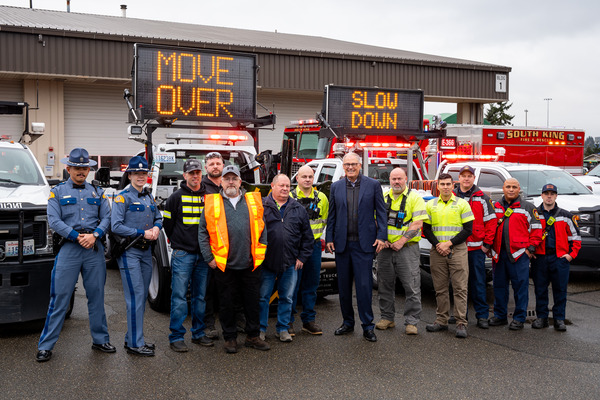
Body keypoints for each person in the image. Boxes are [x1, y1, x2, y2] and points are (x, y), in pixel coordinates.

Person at [36, 148, 114, 362]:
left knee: (96, 296)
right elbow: (54, 220)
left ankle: (100, 340)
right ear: (68, 168)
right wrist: (76, 236)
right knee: (59, 297)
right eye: (77, 167)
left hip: (93, 249)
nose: (81, 171)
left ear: (89, 169)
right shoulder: (57, 192)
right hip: (70, 248)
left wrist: (95, 235)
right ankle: (46, 345)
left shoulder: (98, 192)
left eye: (85, 167)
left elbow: (107, 218)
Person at [198, 165, 270, 353]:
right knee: (226, 303)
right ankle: (230, 338)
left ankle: (253, 336)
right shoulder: (212, 202)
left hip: (250, 263)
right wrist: (209, 258)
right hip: (224, 265)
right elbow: (202, 232)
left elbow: (262, 230)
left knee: (252, 302)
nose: (230, 182)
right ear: (220, 182)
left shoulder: (253, 201)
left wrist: (260, 255)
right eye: (227, 178)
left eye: (234, 178)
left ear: (240, 181)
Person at [326, 152, 387, 342]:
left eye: (353, 164)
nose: (350, 167)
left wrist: (382, 236)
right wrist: (329, 237)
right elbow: (332, 215)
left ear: (360, 165)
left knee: (364, 286)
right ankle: (347, 323)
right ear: (343, 167)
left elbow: (381, 212)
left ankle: (368, 326)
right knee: (343, 288)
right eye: (347, 165)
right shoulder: (335, 187)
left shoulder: (373, 185)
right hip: (343, 245)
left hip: (364, 245)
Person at [111, 156, 163, 356]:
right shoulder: (122, 197)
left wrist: (157, 228)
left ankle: (133, 337)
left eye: (144, 173)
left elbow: (158, 217)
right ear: (130, 174)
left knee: (141, 298)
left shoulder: (148, 196)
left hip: (145, 253)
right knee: (135, 297)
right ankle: (135, 344)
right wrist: (143, 233)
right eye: (137, 173)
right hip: (130, 252)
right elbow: (115, 226)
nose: (141, 176)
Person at [163, 159, 213, 352]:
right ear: (184, 175)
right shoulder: (175, 197)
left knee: (200, 297)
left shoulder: (210, 197)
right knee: (179, 297)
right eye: (191, 173)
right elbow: (168, 224)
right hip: (183, 254)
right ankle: (176, 336)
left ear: (202, 174)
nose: (195, 176)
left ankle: (198, 333)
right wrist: (179, 243)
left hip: (203, 256)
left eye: (198, 172)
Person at [260, 174, 313, 342]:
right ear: (272, 186)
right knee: (262, 298)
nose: (284, 189)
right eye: (281, 185)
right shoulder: (261, 206)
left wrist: (302, 258)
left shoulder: (298, 209)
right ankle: (261, 329)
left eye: (287, 186)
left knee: (287, 297)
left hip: (290, 262)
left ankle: (283, 328)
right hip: (266, 263)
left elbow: (308, 237)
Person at [375, 167, 428, 335]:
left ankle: (411, 322)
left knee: (411, 285)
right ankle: (387, 317)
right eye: (393, 179)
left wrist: (401, 241)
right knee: (384, 284)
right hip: (385, 249)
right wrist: (383, 239)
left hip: (407, 248)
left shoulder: (415, 198)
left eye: (400, 179)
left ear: (406, 179)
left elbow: (418, 223)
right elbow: (375, 220)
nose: (396, 182)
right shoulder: (383, 197)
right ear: (389, 180)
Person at [423, 173, 474, 338]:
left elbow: (468, 230)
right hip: (437, 251)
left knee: (460, 288)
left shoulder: (462, 204)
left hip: (457, 250)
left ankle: (460, 322)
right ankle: (442, 320)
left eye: (448, 184)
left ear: (453, 186)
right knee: (440, 288)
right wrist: (438, 245)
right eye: (442, 184)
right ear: (438, 186)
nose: (445, 187)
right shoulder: (431, 204)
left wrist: (448, 244)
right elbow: (427, 229)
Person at [489, 178, 542, 330]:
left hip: (519, 255)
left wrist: (530, 249)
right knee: (499, 287)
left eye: (514, 187)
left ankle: (519, 318)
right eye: (508, 187)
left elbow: (537, 229)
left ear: (519, 189)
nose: (511, 190)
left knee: (520, 288)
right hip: (499, 255)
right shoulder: (495, 206)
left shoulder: (528, 207)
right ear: (503, 188)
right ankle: (500, 316)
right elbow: (490, 227)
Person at [531, 183, 581, 331]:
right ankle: (542, 318)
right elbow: (528, 233)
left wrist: (571, 256)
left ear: (556, 196)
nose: (549, 196)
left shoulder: (565, 215)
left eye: (552, 193)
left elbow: (576, 238)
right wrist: (531, 250)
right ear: (542, 195)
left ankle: (559, 319)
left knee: (560, 290)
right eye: (546, 193)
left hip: (559, 258)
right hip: (539, 258)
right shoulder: (534, 214)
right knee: (540, 289)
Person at [454, 165, 496, 329]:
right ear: (459, 178)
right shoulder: (452, 196)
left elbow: (491, 222)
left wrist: (487, 244)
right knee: (458, 284)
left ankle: (482, 316)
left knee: (478, 283)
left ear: (473, 178)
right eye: (463, 176)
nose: (466, 179)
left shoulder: (482, 198)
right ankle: (459, 315)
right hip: (457, 247)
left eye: (469, 176)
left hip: (476, 249)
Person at [290, 165, 329, 335]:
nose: (307, 179)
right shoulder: (289, 197)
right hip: (293, 248)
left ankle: (308, 321)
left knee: (311, 285)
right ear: (297, 178)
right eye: (303, 176)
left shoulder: (321, 198)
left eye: (310, 177)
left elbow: (325, 220)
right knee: (291, 286)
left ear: (314, 179)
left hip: (313, 247)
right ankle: (288, 322)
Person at [200, 151, 224, 340]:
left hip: (227, 247)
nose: (215, 166)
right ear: (205, 167)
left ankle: (234, 320)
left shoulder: (230, 186)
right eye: (212, 164)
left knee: (229, 287)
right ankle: (208, 324)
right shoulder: (200, 188)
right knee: (207, 289)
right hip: (207, 246)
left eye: (218, 163)